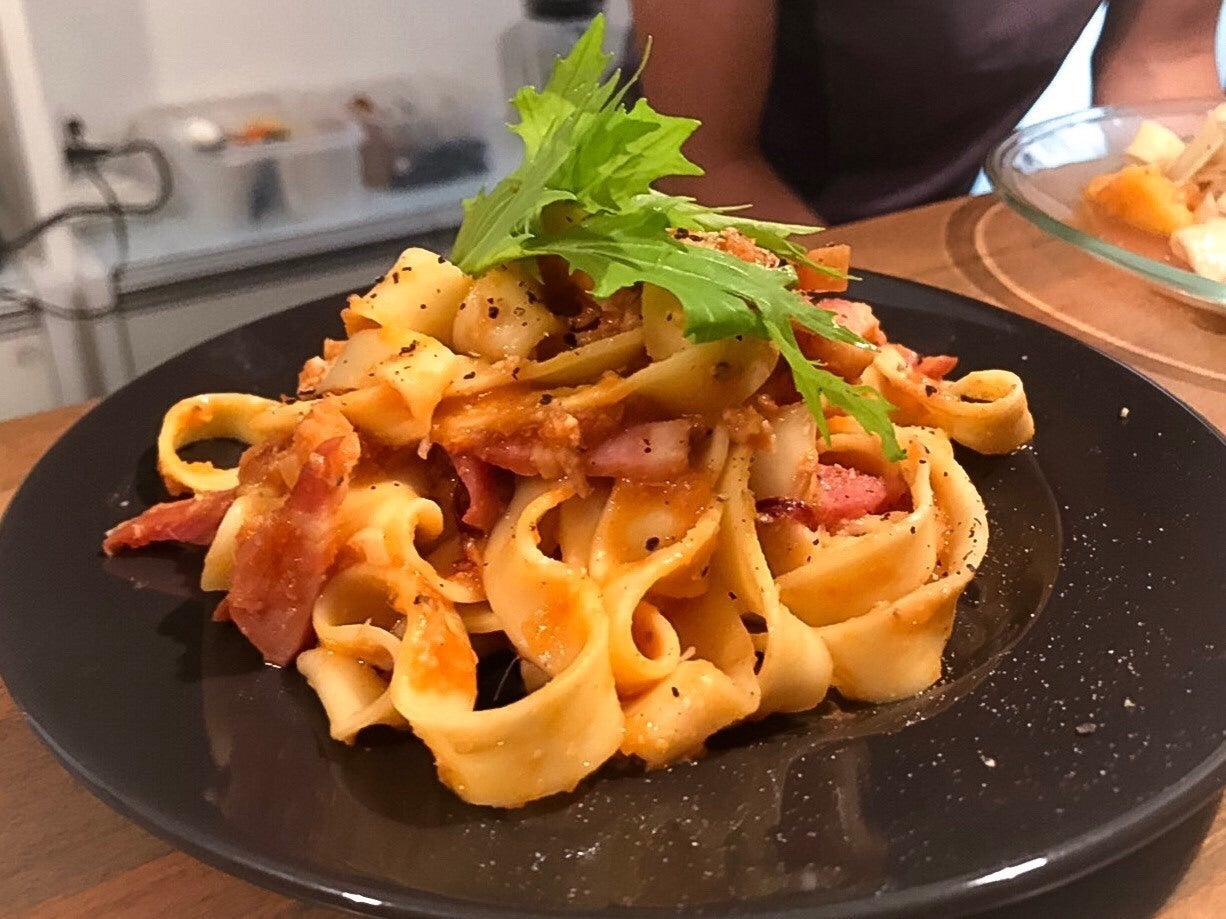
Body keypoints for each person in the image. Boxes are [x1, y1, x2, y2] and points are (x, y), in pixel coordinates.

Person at [631, 0, 1224, 224]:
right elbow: (703, 159)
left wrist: (1206, 211)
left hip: (931, 231)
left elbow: (1165, 56)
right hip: (700, 225)